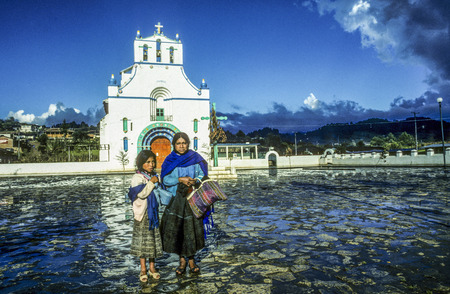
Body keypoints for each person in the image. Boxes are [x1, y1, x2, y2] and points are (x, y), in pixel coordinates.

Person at [159, 132, 208, 275]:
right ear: (174, 145)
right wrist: (179, 179)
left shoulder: (194, 157)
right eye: (178, 143)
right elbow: (165, 180)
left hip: (192, 199)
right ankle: (182, 261)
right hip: (176, 201)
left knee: (192, 229)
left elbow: (201, 173)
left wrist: (195, 181)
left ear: (188, 143)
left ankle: (192, 260)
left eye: (184, 143)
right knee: (179, 230)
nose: (181, 146)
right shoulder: (170, 160)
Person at [128, 150, 163, 282]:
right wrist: (152, 182)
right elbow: (141, 194)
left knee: (152, 241)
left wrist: (155, 181)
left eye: (153, 161)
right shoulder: (137, 177)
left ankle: (152, 267)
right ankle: (143, 269)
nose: (151, 164)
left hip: (153, 214)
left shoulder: (154, 175)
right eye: (148, 162)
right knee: (143, 243)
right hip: (142, 215)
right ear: (141, 163)